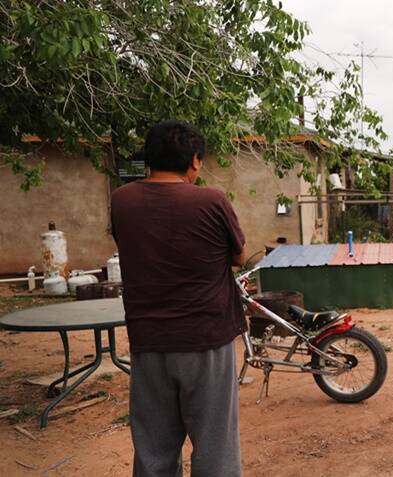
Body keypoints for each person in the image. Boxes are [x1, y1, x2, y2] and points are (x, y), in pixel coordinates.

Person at [111, 120, 246, 477]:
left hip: (148, 341)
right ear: (195, 161)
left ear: (148, 159)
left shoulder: (121, 201)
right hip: (205, 339)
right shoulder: (212, 200)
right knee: (215, 448)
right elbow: (239, 258)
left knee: (154, 450)